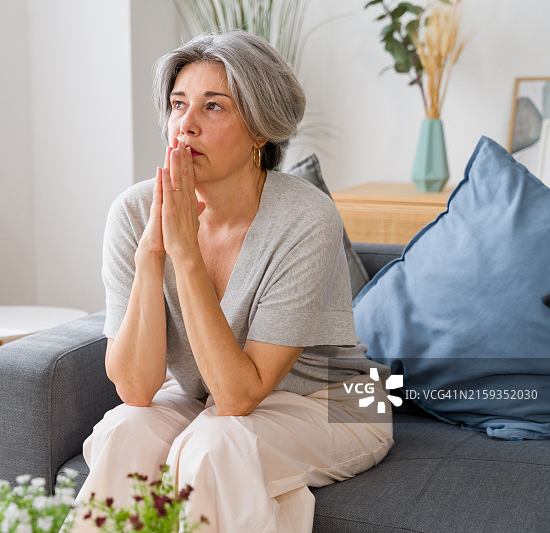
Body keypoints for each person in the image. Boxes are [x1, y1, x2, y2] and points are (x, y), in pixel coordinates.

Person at [74, 30, 393, 533]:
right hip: (206, 399)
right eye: (178, 105)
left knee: (216, 445)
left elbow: (240, 397)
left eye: (213, 108)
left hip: (340, 404)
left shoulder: (306, 217)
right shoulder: (135, 211)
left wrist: (185, 253)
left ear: (260, 132)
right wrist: (152, 253)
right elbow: (136, 389)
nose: (186, 126)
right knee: (125, 431)